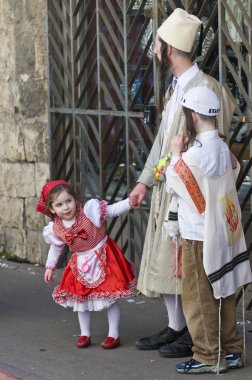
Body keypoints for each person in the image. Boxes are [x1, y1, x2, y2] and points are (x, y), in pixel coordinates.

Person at [129, 8, 236, 358]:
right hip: (170, 184)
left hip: (191, 191)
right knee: (168, 263)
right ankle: (177, 327)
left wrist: (183, 170)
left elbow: (214, 144)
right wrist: (145, 181)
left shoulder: (206, 89)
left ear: (170, 49)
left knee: (188, 266)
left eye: (158, 43)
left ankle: (194, 331)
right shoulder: (178, 87)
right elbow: (162, 140)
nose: (155, 48)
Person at [165, 87, 252, 374]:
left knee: (199, 297)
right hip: (226, 232)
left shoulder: (192, 155)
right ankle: (232, 351)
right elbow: (235, 171)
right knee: (225, 292)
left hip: (198, 236)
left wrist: (176, 155)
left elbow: (175, 182)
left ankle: (205, 355)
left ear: (192, 115)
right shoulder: (223, 148)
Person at [36, 180, 138, 349]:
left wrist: (128, 202)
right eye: (60, 204)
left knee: (110, 297)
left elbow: (112, 210)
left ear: (75, 200)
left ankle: (113, 334)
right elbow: (56, 247)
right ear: (52, 209)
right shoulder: (56, 228)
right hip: (80, 262)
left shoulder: (90, 212)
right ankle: (85, 333)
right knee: (81, 300)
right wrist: (49, 266)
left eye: (69, 201)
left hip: (104, 257)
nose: (66, 207)